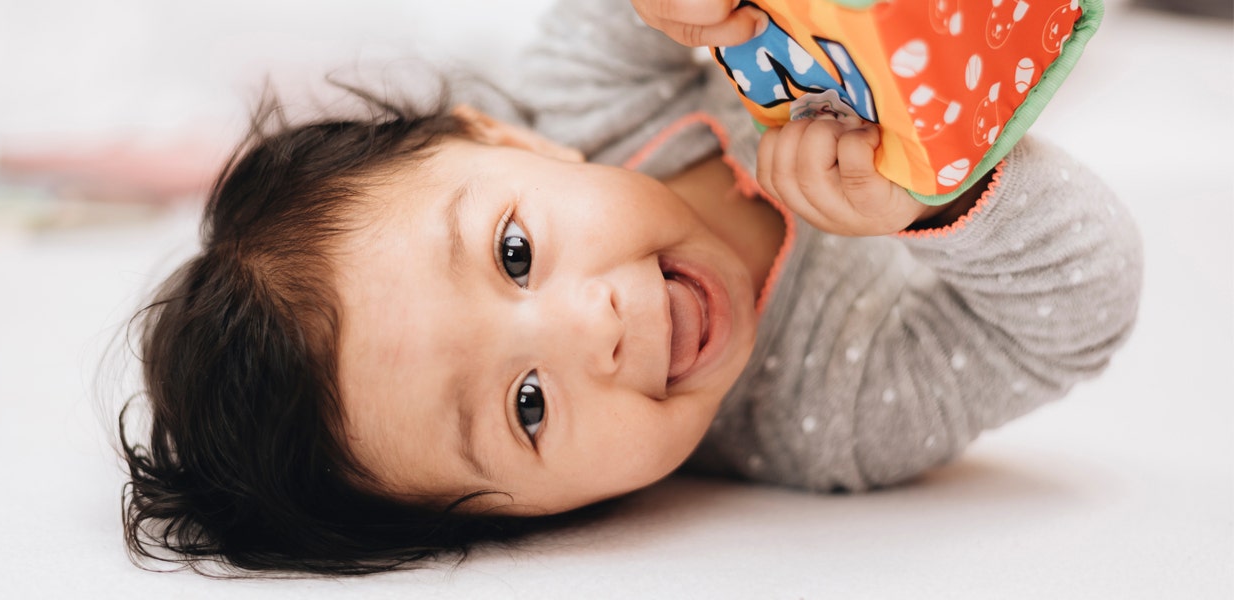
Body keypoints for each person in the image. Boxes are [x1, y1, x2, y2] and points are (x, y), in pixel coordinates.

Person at [119, 0, 1143, 575]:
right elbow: (1074, 312)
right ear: (534, 516)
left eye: (514, 254)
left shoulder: (586, 103)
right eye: (527, 407)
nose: (590, 326)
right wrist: (933, 203)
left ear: (502, 136)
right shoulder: (832, 411)